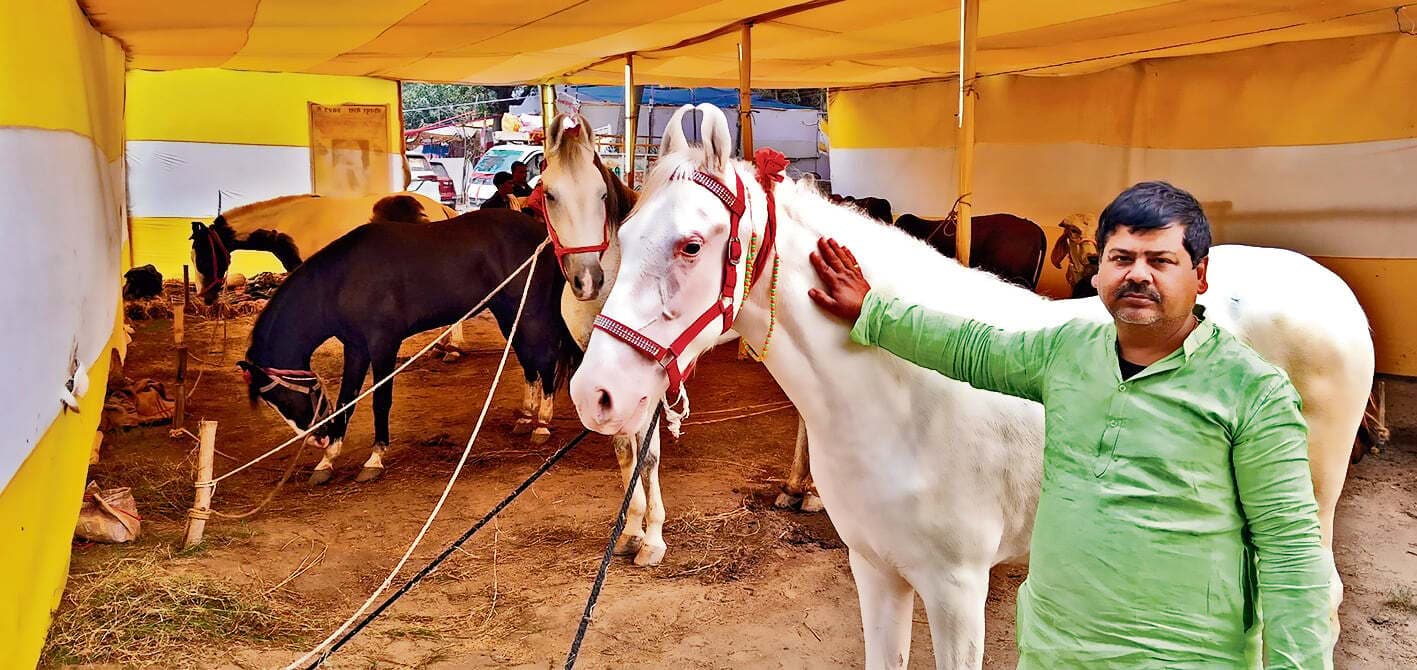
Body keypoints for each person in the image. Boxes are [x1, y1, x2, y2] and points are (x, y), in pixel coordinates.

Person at [808, 181, 1332, 669]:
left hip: (1181, 653)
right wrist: (872, 311)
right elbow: (971, 348)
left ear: (1200, 275)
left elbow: (1292, 555)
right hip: (1056, 649)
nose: (1138, 275)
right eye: (1121, 258)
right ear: (1097, 271)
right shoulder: (1068, 353)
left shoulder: (1253, 392)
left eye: (1161, 260)